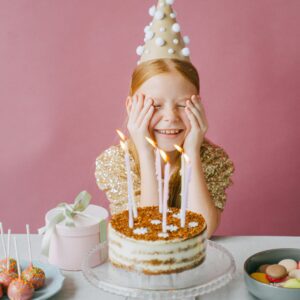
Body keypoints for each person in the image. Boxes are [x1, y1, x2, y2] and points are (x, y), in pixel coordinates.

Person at [95, 0, 234, 238]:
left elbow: (205, 230)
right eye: (156, 105)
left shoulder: (213, 159)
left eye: (182, 105)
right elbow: (145, 232)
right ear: (132, 107)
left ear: (198, 105)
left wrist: (191, 151)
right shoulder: (117, 162)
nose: (170, 117)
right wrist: (145, 151)